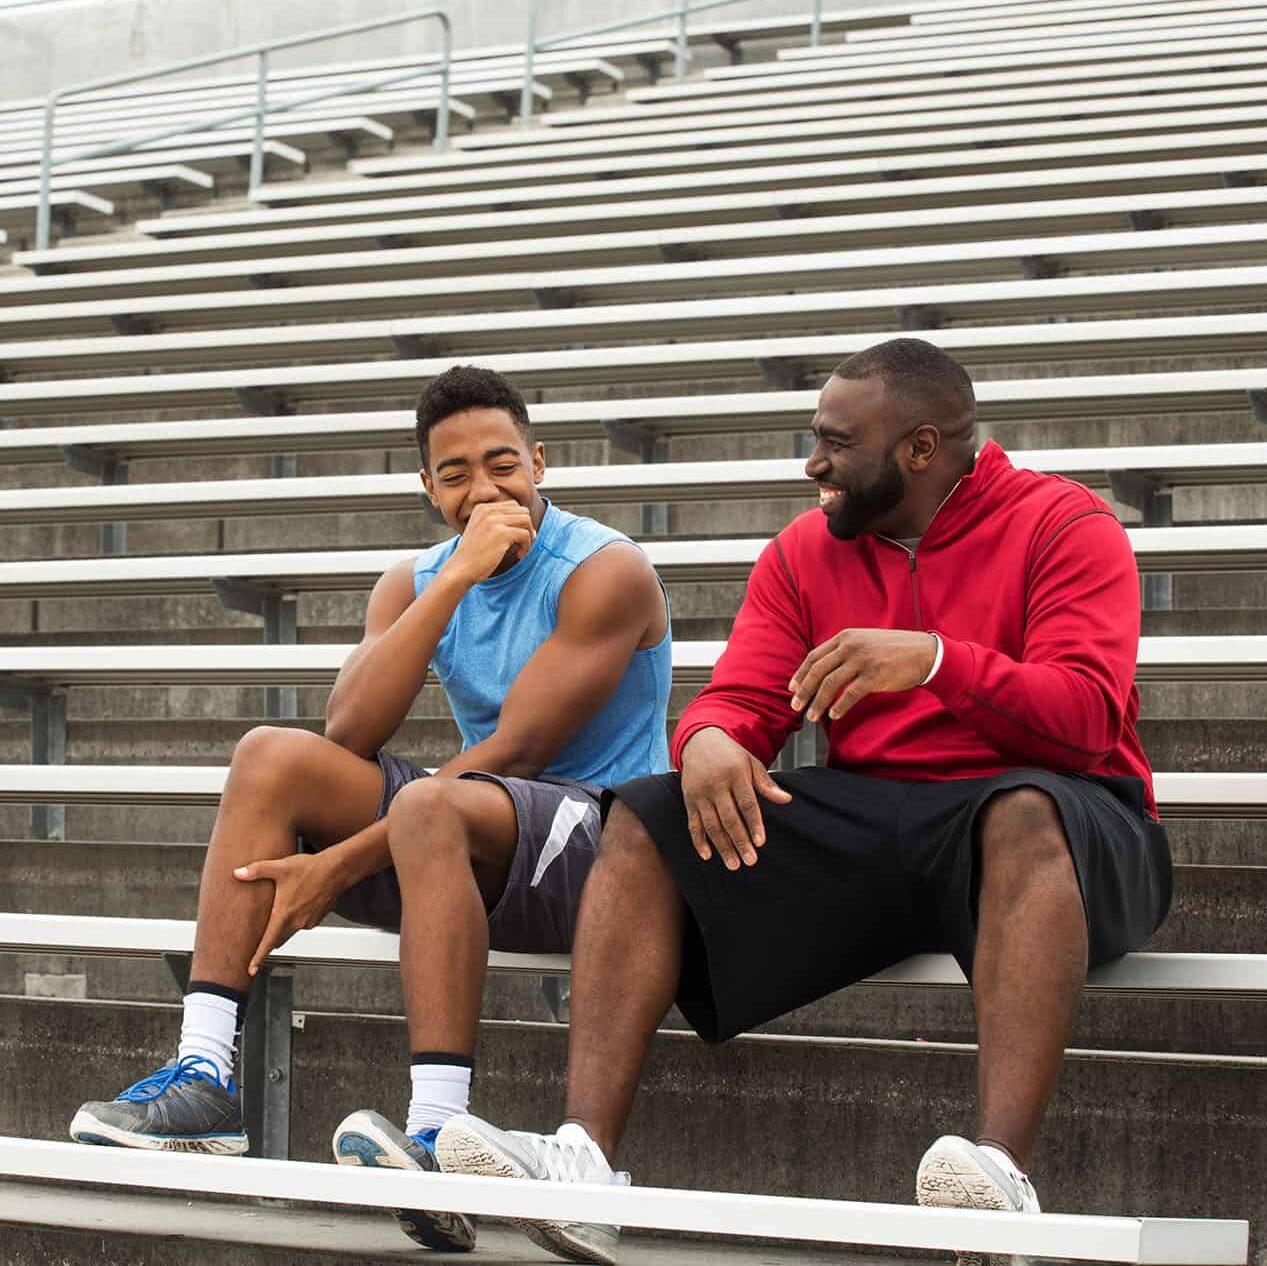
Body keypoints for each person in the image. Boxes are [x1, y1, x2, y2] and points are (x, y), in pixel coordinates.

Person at [431, 338, 1173, 1266]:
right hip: (881, 811)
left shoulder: (1064, 524)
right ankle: (582, 1165)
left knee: (1020, 809)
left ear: (919, 448)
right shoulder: (805, 548)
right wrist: (705, 744)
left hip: (1068, 813)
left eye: (834, 443)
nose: (812, 463)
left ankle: (999, 1180)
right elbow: (739, 699)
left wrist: (937, 660)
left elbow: (1087, 716)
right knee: (646, 814)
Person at [70, 364, 672, 1253]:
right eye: (456, 473)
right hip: (473, 828)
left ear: (540, 462)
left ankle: (434, 1133)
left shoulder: (605, 570)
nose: (484, 488)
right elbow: (349, 727)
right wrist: (453, 580)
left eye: (502, 464)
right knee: (270, 759)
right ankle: (204, 1074)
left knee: (433, 802)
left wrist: (342, 862)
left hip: (606, 847)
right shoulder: (420, 578)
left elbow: (518, 754)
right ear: (428, 490)